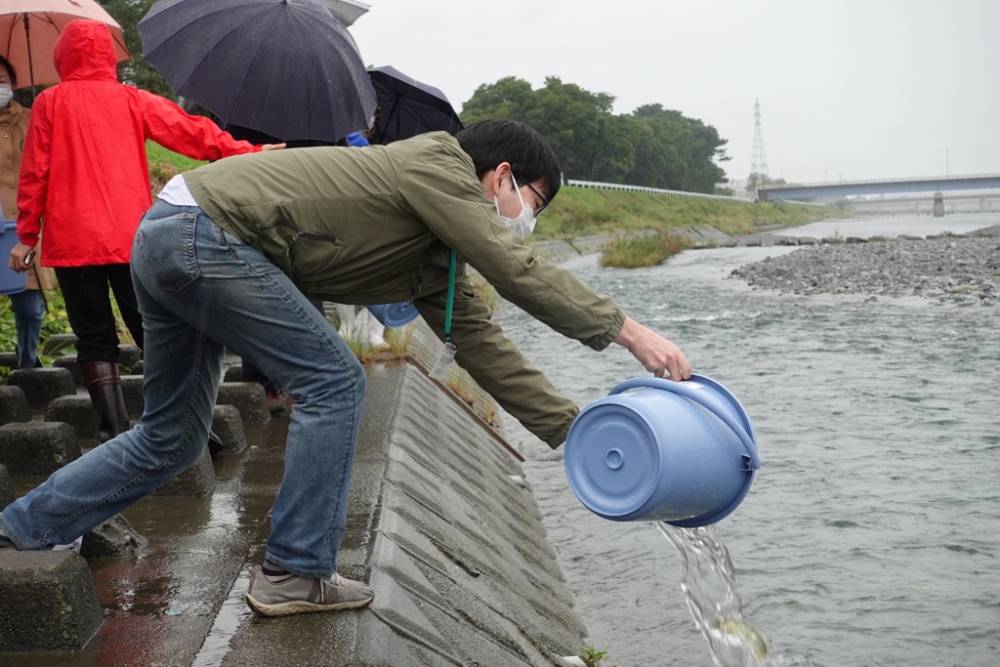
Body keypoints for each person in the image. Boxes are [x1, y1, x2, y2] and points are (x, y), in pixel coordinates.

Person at [0, 119, 692, 618]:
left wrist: (578, 434)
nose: (524, 223)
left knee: (171, 436)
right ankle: (296, 572)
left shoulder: (431, 252)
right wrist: (628, 333)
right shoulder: (438, 166)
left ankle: (23, 527)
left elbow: (481, 342)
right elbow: (515, 268)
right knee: (333, 379)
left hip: (172, 234)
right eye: (532, 205)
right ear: (500, 176)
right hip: (204, 234)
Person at [6, 20, 280, 439]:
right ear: (107, 56)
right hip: (131, 236)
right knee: (154, 329)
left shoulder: (49, 103)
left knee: (93, 337)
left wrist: (27, 236)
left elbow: (35, 174)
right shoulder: (131, 99)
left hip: (71, 237)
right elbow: (190, 132)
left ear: (63, 56)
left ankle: (114, 429)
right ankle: (182, 423)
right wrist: (251, 152)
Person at [0, 56, 56, 368]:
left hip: (24, 224)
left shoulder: (32, 118)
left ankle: (27, 362)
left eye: (2, 79)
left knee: (29, 305)